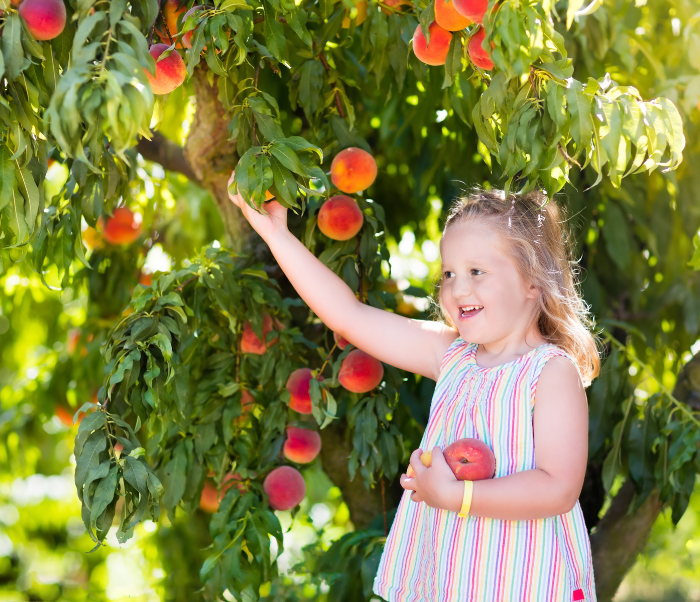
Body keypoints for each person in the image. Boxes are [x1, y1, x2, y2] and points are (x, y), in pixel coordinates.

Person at [228, 177, 600, 602]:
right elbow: (347, 315)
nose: (458, 288)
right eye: (449, 273)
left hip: (525, 583)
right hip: (451, 581)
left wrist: (455, 496)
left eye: (477, 272)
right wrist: (275, 232)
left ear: (532, 281)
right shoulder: (452, 355)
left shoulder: (550, 372)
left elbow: (558, 488)